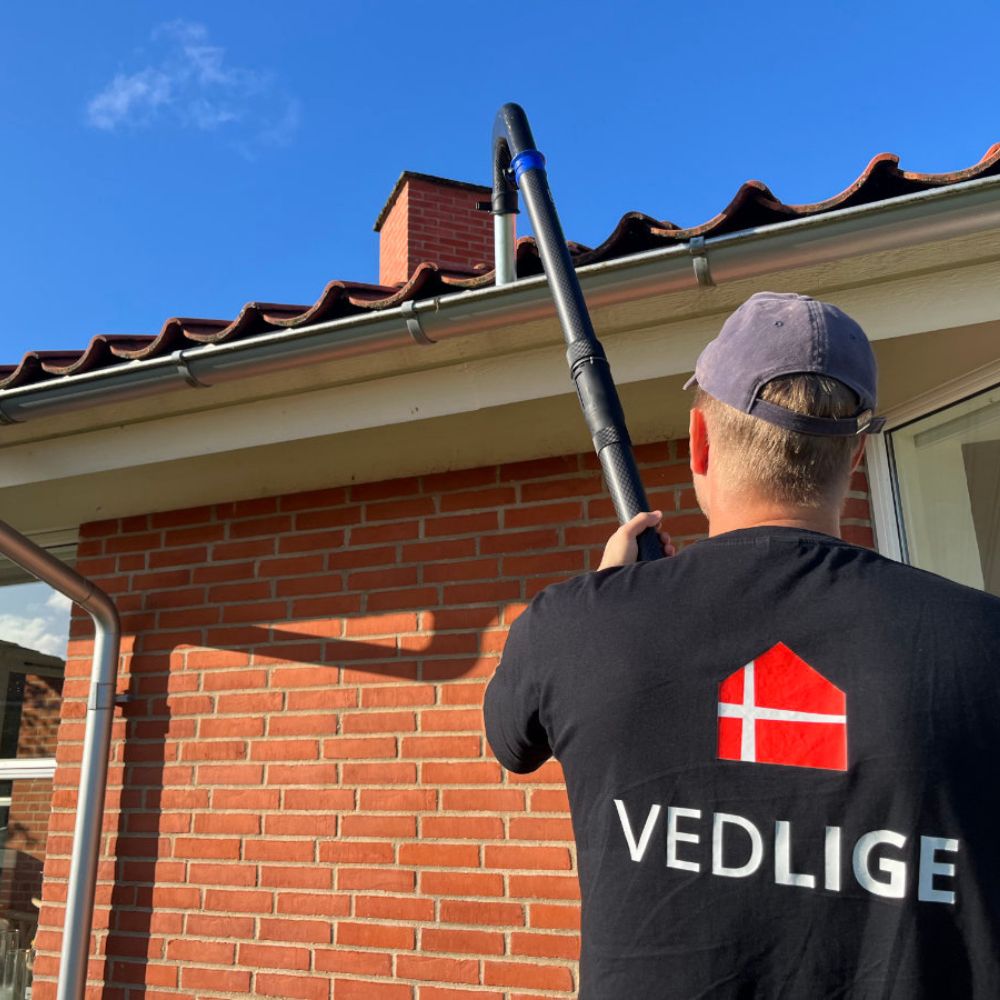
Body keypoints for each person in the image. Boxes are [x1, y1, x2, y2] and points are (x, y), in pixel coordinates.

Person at [484, 292, 1000, 999]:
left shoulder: (572, 627)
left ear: (699, 441)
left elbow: (511, 741)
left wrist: (605, 600)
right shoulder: (983, 641)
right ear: (854, 454)